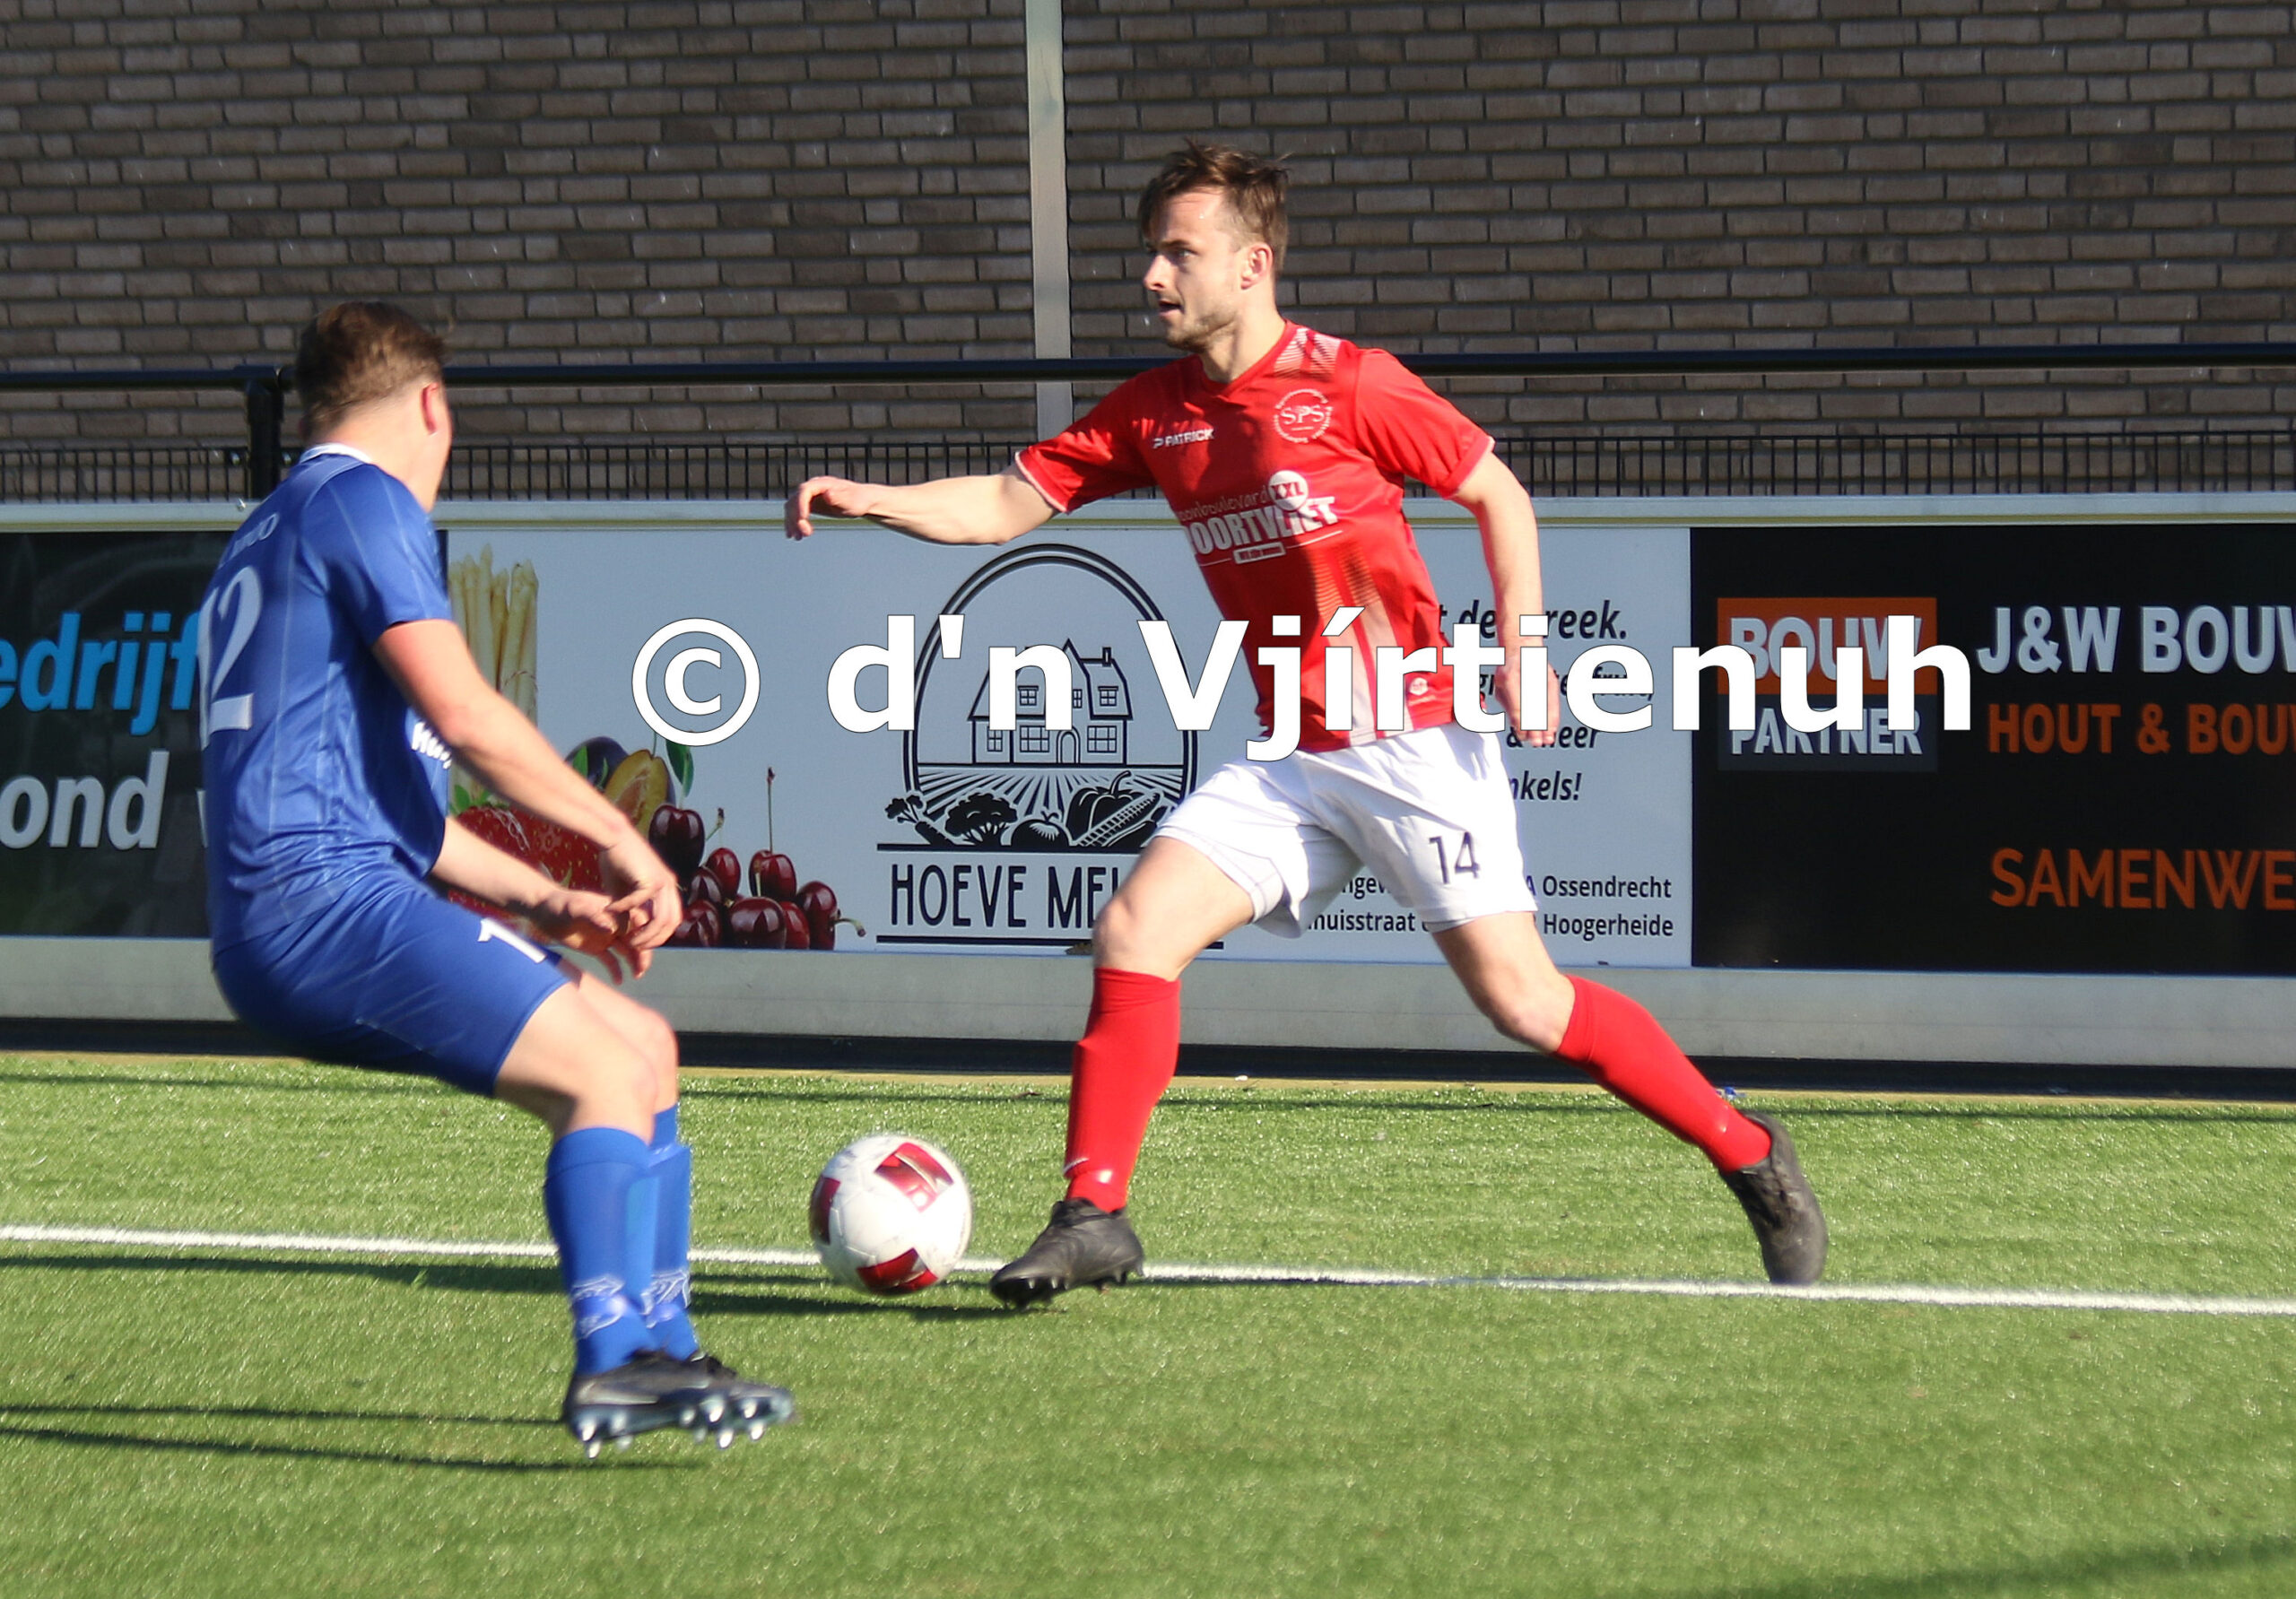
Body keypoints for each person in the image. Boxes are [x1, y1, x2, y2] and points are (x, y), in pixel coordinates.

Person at [787, 143, 1826, 1302]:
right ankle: (1093, 1211)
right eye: (1151, 254)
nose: (1153, 277)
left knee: (1525, 1002)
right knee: (1135, 928)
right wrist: (870, 498)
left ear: (1253, 265)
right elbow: (1000, 503)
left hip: (1412, 741)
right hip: (1292, 754)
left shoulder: (1350, 383)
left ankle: (1750, 1150)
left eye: (1179, 252)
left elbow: (1496, 490)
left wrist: (1526, 654)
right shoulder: (1155, 413)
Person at [201, 302, 792, 1451]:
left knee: (640, 1049)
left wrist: (549, 896)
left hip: (305, 903)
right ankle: (614, 1360)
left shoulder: (273, 525)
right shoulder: (363, 500)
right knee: (597, 1076)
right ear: (431, 405)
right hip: (322, 908)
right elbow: (468, 718)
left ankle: (665, 1344)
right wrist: (621, 838)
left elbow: (393, 808)